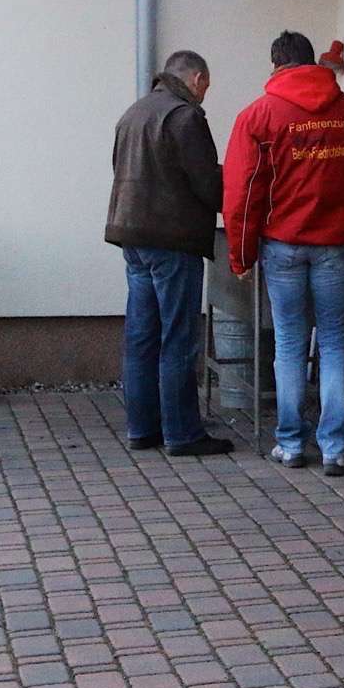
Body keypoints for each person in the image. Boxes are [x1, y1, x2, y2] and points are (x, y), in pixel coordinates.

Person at [223, 31, 344, 477]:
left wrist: (241, 255)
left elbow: (241, 192)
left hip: (283, 245)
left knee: (289, 344)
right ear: (312, 63)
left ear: (276, 66)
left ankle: (290, 444)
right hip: (335, 245)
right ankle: (335, 448)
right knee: (332, 342)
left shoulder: (258, 115)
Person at [105, 50, 234, 457]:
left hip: (132, 235)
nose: (205, 94)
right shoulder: (184, 117)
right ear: (197, 78)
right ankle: (182, 433)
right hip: (172, 239)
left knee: (141, 336)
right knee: (178, 336)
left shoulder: (134, 112)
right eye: (206, 86)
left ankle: (142, 428)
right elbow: (206, 182)